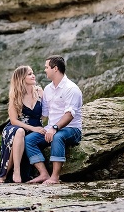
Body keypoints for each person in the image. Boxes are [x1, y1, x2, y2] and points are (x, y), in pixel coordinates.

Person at [25, 55, 83, 185]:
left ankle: (55, 177)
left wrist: (55, 128)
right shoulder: (48, 89)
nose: (44, 70)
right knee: (29, 140)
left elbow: (69, 115)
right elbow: (44, 114)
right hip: (51, 128)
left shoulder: (71, 89)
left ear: (55, 68)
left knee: (57, 137)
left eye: (46, 67)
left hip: (72, 129)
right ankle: (44, 174)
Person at [0, 65, 46, 183]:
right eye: (29, 74)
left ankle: (7, 175)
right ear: (21, 78)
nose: (33, 76)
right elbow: (14, 121)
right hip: (16, 128)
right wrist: (34, 128)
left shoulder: (40, 91)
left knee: (23, 134)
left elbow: (47, 113)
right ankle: (15, 172)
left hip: (36, 127)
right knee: (19, 132)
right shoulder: (16, 96)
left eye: (33, 73)